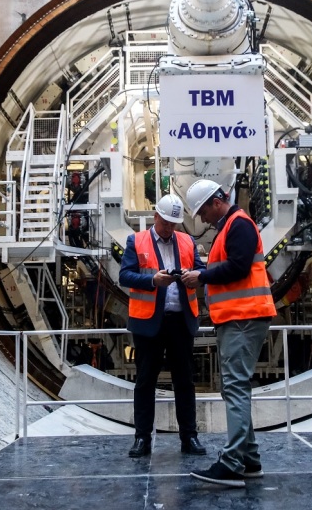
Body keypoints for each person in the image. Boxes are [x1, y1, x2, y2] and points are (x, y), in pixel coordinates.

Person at [181, 179, 277, 488]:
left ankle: (232, 463)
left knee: (235, 388)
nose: (203, 219)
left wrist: (202, 277)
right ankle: (249, 459)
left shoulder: (239, 225)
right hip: (237, 318)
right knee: (234, 388)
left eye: (203, 212)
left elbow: (238, 267)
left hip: (244, 317)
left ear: (216, 202)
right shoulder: (230, 227)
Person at [118, 194, 207, 458]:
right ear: (156, 216)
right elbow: (125, 276)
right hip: (148, 323)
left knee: (185, 381)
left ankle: (189, 437)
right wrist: (153, 281)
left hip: (181, 320)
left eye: (173, 224)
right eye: (166, 222)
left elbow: (200, 270)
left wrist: (194, 276)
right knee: (145, 381)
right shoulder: (136, 241)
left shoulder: (187, 241)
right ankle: (142, 438)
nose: (169, 228)